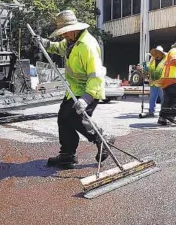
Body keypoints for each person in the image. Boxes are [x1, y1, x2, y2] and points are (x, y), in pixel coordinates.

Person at [32, 10, 114, 169]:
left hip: (89, 90)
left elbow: (96, 75)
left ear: (74, 29)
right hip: (73, 90)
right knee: (64, 118)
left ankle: (103, 138)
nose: (63, 36)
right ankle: (67, 156)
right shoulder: (71, 41)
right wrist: (44, 42)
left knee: (75, 118)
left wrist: (86, 99)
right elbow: (59, 48)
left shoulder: (87, 46)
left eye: (65, 33)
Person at [142, 46, 166, 117]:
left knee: (163, 99)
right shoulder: (152, 60)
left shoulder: (165, 61)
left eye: (158, 52)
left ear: (161, 53)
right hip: (153, 83)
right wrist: (145, 69)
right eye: (156, 52)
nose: (156, 54)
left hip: (162, 83)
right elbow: (148, 70)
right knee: (152, 98)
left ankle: (163, 112)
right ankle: (151, 111)